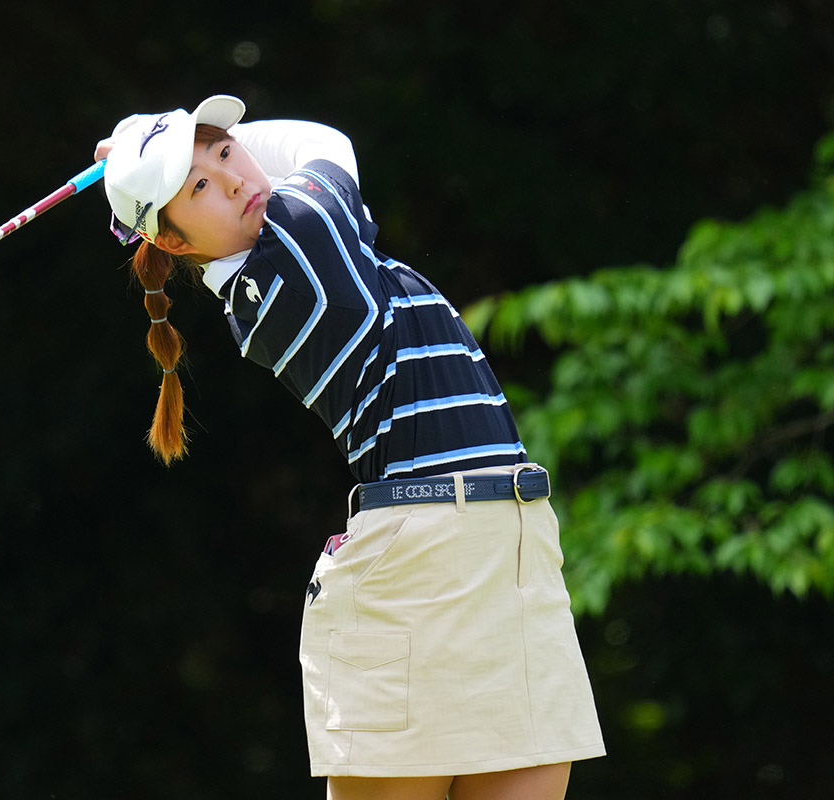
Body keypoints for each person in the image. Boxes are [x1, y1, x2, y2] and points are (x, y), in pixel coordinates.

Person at [93, 95, 605, 800]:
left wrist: (149, 153)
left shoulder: (272, 265)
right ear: (174, 244)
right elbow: (321, 142)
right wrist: (151, 150)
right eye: (200, 185)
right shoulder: (300, 242)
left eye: (225, 150)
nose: (236, 178)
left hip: (509, 547)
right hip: (418, 563)